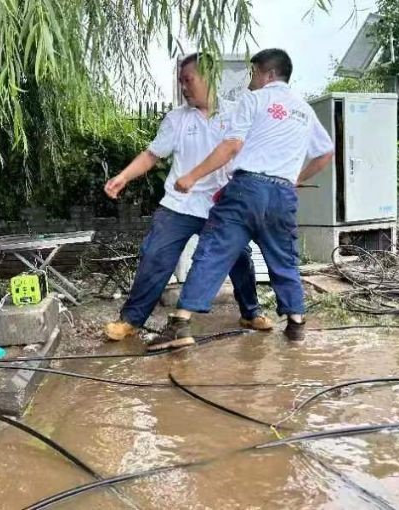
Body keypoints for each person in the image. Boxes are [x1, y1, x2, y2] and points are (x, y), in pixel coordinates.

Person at [148, 48, 335, 350]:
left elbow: (232, 146)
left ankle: (181, 324)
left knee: (214, 251)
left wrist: (192, 176)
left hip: (247, 189)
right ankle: (296, 324)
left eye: (253, 74)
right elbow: (326, 152)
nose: (250, 81)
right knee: (284, 257)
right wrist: (296, 178)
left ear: (268, 74)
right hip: (282, 193)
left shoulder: (255, 99)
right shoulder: (304, 109)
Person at [103, 53, 273, 344]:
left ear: (208, 77)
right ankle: (131, 320)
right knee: (155, 256)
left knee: (239, 257)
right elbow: (152, 154)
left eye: (188, 80)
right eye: (180, 81)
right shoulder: (176, 119)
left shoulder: (236, 114)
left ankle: (250, 311)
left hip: (221, 205)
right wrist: (124, 176)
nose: (183, 87)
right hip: (179, 204)